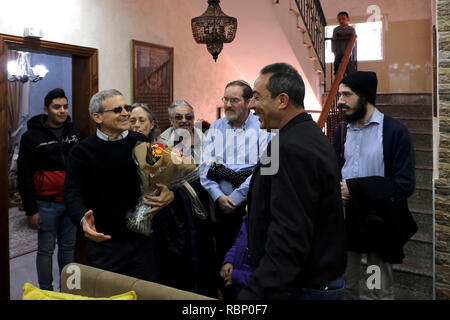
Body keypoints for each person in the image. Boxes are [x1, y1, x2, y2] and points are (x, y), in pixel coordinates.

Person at [238, 63, 347, 300]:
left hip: (305, 287)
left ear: (282, 100)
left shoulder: (291, 147)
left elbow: (289, 234)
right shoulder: (304, 134)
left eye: (257, 97)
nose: (251, 105)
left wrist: (253, 294)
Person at [63, 89, 174, 282]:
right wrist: (82, 219)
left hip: (143, 242)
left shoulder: (142, 142)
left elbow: (160, 180)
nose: (125, 113)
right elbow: (73, 192)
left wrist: (168, 193)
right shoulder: (82, 151)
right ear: (97, 117)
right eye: (117, 110)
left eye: (126, 107)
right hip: (105, 243)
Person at [332, 71, 418, 300]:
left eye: (346, 95)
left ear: (365, 96)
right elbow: (333, 171)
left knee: (375, 288)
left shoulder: (394, 132)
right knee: (345, 286)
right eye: (339, 95)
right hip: (347, 222)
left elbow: (404, 184)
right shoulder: (341, 132)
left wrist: (355, 189)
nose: (340, 101)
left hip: (377, 224)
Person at [200, 80, 269, 299]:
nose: (228, 104)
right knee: (224, 259)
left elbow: (265, 168)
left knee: (249, 261)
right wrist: (218, 196)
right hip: (221, 209)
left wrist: (237, 196)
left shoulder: (264, 127)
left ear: (248, 102)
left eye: (234, 100)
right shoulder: (216, 128)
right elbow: (205, 167)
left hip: (252, 206)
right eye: (226, 99)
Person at [17, 88, 80, 291]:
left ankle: (69, 291)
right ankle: (46, 292)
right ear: (46, 109)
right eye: (56, 107)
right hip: (46, 204)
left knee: (69, 248)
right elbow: (24, 175)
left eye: (65, 106)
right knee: (45, 250)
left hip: (71, 202)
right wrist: (31, 210)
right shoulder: (31, 137)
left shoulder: (75, 132)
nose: (62, 111)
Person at [220, 214, 254, 299]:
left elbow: (270, 278)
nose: (245, 209)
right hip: (237, 289)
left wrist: (237, 276)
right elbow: (238, 242)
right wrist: (229, 260)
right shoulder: (248, 219)